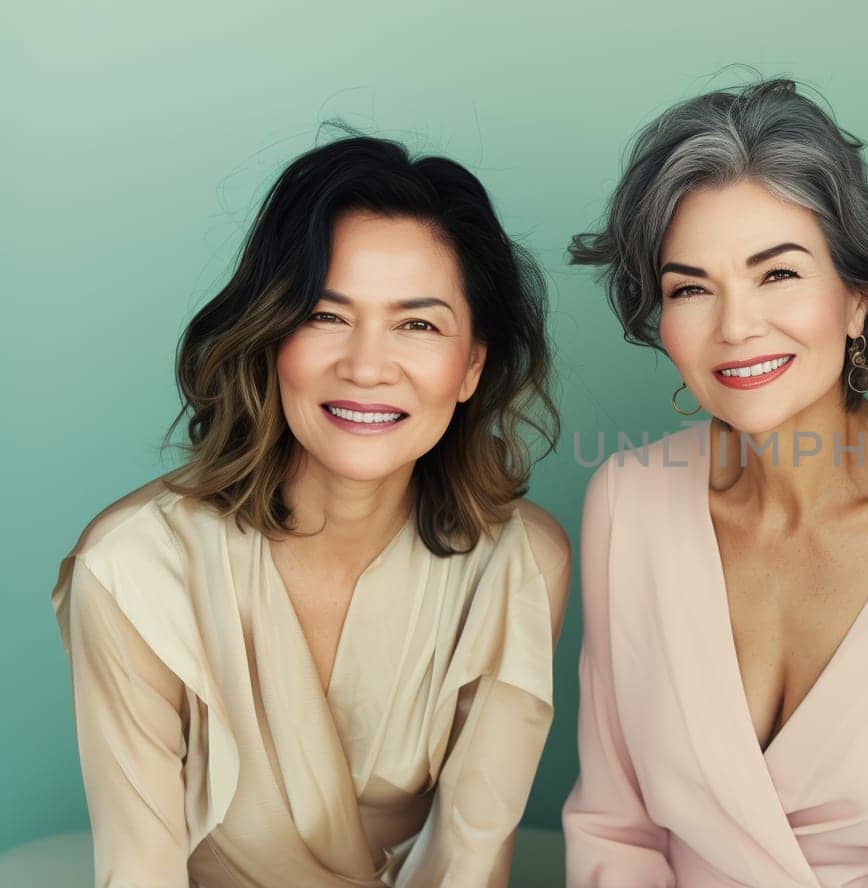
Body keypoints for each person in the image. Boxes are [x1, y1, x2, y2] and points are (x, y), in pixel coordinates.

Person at [562, 79, 868, 887]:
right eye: (690, 288)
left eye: (777, 274)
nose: (735, 325)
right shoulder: (627, 503)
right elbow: (613, 827)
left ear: (857, 297)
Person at [52, 135, 569, 887]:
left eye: (417, 324)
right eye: (326, 316)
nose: (365, 366)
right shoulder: (134, 570)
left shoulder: (520, 565)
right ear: (270, 335)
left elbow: (470, 860)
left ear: (472, 368)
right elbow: (139, 871)